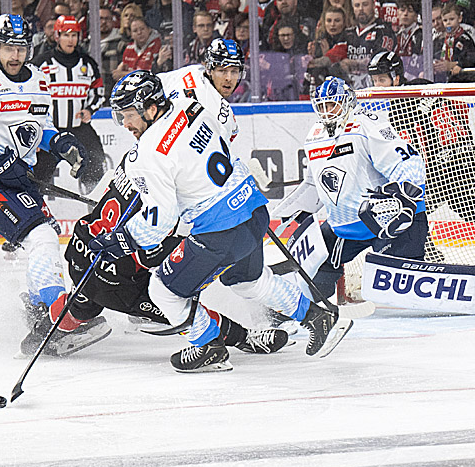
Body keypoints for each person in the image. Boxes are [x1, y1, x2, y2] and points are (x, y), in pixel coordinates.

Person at [43, 40, 290, 358]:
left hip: (101, 243)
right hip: (132, 252)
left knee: (94, 293)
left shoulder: (178, 94)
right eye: (222, 70)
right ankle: (245, 332)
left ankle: (52, 325)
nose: (229, 78)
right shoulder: (204, 112)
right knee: (177, 289)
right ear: (208, 67)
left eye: (234, 70)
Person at [95, 68, 341, 372]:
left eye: (129, 114)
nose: (125, 124)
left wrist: (121, 239)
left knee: (163, 290)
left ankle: (208, 345)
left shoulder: (147, 155)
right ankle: (316, 317)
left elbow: (159, 223)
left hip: (221, 232)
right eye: (120, 116)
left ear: (151, 107)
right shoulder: (190, 105)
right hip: (253, 209)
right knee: (248, 281)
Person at [0, 14, 88, 333]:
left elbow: (40, 125)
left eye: (21, 47)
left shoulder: (38, 80)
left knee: (46, 235)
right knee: (41, 235)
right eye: (8, 47)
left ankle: (39, 308)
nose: (15, 55)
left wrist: (60, 141)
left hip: (20, 178)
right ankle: (56, 313)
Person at [276, 74, 427, 302]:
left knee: (401, 293)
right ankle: (291, 306)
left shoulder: (366, 124)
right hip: (345, 227)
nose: (327, 111)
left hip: (388, 222)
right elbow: (314, 185)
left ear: (347, 103)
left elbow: (405, 160)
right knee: (312, 275)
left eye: (333, 104)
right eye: (323, 106)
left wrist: (406, 199)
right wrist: (281, 214)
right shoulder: (314, 136)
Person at [370, 52, 475, 266]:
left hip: (440, 166)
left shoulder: (399, 105)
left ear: (396, 77)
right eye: (374, 81)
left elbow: (418, 142)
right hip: (463, 157)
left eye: (382, 80)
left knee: (410, 208)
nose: (377, 86)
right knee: (471, 207)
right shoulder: (424, 86)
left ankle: (429, 253)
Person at [32, 15, 108, 191]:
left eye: (74, 35)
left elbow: (98, 93)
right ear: (57, 36)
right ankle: (35, 209)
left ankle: (96, 205)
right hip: (49, 131)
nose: (71, 39)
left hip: (79, 129)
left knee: (96, 164)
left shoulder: (88, 64)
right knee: (37, 178)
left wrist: (90, 109)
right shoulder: (41, 63)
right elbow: (29, 95)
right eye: (66, 34)